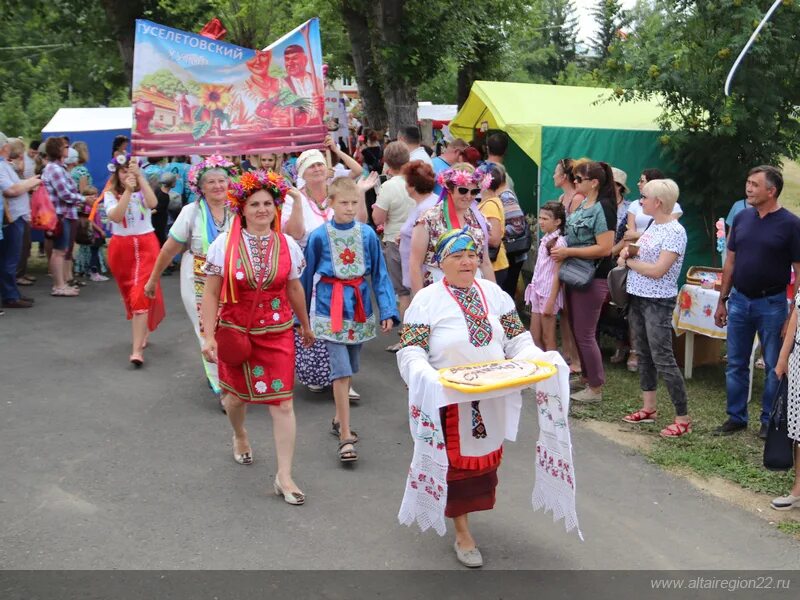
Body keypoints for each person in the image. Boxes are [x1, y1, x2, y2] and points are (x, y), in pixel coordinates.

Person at [396, 228, 576, 567]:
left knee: (484, 465)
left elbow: (517, 340)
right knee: (455, 468)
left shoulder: (494, 294)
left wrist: (541, 358)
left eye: (472, 254)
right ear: (440, 261)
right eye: (457, 255)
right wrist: (428, 377)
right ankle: (462, 531)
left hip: (491, 398)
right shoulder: (427, 300)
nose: (467, 261)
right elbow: (411, 350)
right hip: (450, 398)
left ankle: (465, 517)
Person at [200, 169, 313, 504]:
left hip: (278, 334)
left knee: (283, 402)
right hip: (237, 333)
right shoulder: (224, 244)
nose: (262, 209)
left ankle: (285, 476)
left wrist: (305, 325)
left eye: (268, 203)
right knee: (234, 398)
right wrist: (208, 337)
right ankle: (239, 434)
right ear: (242, 209)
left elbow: (294, 287)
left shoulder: (288, 245)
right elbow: (210, 294)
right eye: (255, 204)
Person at [302, 177, 399, 463]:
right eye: (343, 202)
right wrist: (300, 318)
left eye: (354, 202)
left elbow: (380, 273)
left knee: (351, 367)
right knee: (341, 372)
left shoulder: (367, 234)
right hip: (328, 306)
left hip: (358, 305)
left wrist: (388, 310)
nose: (349, 208)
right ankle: (345, 435)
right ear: (330, 203)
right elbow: (307, 278)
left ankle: (336, 418)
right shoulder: (319, 236)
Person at [714, 165, 800, 438]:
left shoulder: (791, 224)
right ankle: (736, 417)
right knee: (736, 362)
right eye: (748, 182)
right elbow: (730, 261)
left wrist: (792, 314)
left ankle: (768, 421)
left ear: (771, 191)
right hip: (739, 300)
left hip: (772, 304)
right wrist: (722, 300)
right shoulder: (741, 218)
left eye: (754, 184)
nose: (748, 188)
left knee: (775, 364)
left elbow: (799, 272)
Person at [144, 156, 237, 408]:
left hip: (232, 278)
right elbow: (169, 249)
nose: (218, 186)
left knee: (232, 327)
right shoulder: (191, 211)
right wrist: (153, 280)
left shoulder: (238, 208)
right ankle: (220, 384)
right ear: (201, 187)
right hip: (198, 276)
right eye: (211, 182)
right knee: (207, 329)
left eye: (222, 180)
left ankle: (232, 374)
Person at [282, 149, 370, 398]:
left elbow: (360, 222)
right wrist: (299, 203)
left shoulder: (338, 191)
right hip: (308, 270)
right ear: (302, 173)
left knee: (341, 323)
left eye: (320, 165)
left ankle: (342, 380)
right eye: (311, 167)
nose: (318, 169)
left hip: (342, 269)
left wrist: (360, 195)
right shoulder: (292, 198)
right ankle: (318, 375)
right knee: (312, 322)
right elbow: (295, 233)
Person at [619, 179, 691, 437]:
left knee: (663, 357)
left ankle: (682, 417)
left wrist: (629, 263)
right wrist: (629, 254)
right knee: (644, 353)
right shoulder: (653, 225)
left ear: (658, 202)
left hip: (657, 301)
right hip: (638, 296)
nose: (641, 201)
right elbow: (645, 257)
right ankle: (649, 408)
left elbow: (659, 271)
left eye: (645, 197)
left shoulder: (674, 231)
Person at [550, 160, 617, 403]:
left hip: (592, 276)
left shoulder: (604, 207)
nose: (574, 182)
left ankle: (596, 386)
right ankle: (588, 378)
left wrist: (569, 253)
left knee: (585, 333)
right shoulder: (584, 203)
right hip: (576, 273)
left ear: (594, 182)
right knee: (578, 330)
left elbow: (605, 248)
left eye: (579, 179)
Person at [104, 155, 165, 366]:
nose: (127, 174)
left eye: (130, 170)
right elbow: (115, 216)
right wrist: (128, 192)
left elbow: (153, 203)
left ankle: (136, 351)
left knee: (140, 293)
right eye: (123, 171)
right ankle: (142, 328)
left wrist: (140, 179)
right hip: (122, 249)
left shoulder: (142, 190)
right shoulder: (110, 195)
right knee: (130, 296)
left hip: (147, 246)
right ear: (116, 174)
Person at [409, 163, 495, 295]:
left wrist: (494, 297)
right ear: (449, 188)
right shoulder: (429, 219)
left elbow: (485, 263)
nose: (468, 196)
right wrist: (419, 303)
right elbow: (415, 264)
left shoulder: (479, 219)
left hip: (473, 285)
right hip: (439, 286)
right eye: (463, 190)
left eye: (474, 192)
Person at [41, 137, 95, 297]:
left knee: (61, 251)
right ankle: (59, 286)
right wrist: (85, 199)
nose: (68, 148)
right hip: (61, 215)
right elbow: (65, 194)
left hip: (64, 214)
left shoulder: (57, 168)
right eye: (65, 146)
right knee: (59, 251)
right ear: (58, 150)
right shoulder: (55, 169)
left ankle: (62, 284)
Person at [372, 141, 414, 327]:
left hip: (395, 241)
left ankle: (407, 336)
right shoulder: (417, 181)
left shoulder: (389, 187)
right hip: (419, 238)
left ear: (387, 162)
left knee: (403, 293)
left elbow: (378, 218)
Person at [552, 157, 584, 374]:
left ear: (564, 177)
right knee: (563, 308)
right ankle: (567, 351)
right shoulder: (562, 197)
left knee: (571, 311)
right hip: (560, 255)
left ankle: (577, 358)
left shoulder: (577, 199)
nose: (553, 176)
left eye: (555, 172)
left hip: (571, 257)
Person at [0, 137, 40, 308]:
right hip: (12, 217)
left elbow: (15, 186)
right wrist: (31, 183)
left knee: (13, 257)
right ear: (5, 147)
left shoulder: (4, 165)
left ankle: (12, 293)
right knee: (10, 258)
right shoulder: (2, 166)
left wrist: (27, 183)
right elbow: (10, 190)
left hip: (16, 216)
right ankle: (10, 295)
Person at [772, 289, 800, 510]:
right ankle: (798, 490)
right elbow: (796, 317)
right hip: (798, 360)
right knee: (799, 432)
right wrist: (783, 358)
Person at [525, 201, 566, 351]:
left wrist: (551, 300)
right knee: (535, 336)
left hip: (549, 294)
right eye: (540, 218)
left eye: (545, 219)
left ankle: (554, 369)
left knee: (548, 338)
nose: (541, 222)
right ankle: (541, 368)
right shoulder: (545, 240)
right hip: (538, 290)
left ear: (557, 222)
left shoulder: (559, 243)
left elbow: (557, 274)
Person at [399, 160, 438, 292]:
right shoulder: (428, 203)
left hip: (422, 278)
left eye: (406, 182)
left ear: (412, 186)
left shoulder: (425, 208)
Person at [625, 168, 682, 243]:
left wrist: (637, 235)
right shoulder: (635, 205)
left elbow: (666, 233)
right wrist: (627, 252)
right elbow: (629, 236)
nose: (638, 184)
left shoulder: (673, 206)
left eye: (642, 181)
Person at [477, 164, 509, 287]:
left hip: (494, 265)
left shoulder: (490, 205)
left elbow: (495, 239)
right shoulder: (489, 202)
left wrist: (471, 234)